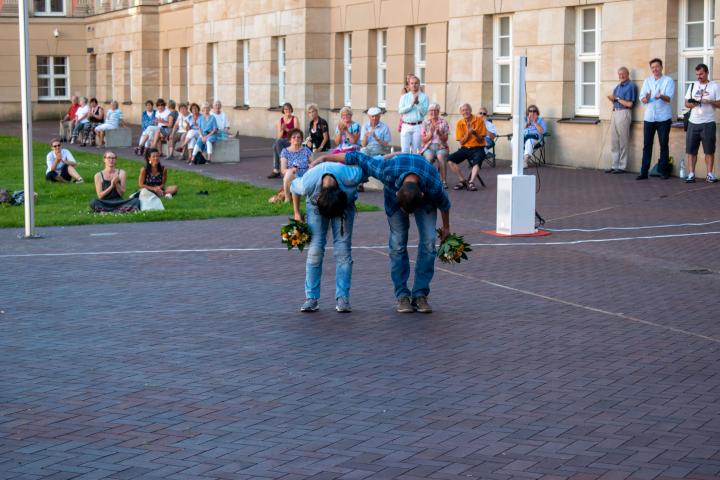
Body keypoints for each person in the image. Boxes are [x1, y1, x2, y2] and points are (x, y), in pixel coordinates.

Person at [313, 150, 451, 314]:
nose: (408, 215)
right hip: (395, 197)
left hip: (425, 201)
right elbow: (356, 156)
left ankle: (420, 294)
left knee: (429, 244)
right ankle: (402, 296)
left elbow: (445, 204)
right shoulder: (385, 169)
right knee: (398, 244)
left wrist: (447, 228)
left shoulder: (432, 183)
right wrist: (325, 157)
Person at [291, 161, 364, 313]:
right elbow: (293, 186)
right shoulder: (307, 183)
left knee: (343, 250)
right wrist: (297, 213)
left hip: (343, 206)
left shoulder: (351, 176)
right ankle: (311, 298)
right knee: (315, 250)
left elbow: (367, 166)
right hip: (316, 207)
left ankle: (343, 298)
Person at [638, 58, 675, 180]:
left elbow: (669, 98)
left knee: (663, 144)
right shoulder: (647, 80)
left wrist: (661, 96)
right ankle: (644, 172)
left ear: (661, 67)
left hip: (663, 117)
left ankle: (664, 172)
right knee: (647, 145)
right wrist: (646, 98)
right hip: (649, 117)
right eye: (653, 67)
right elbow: (642, 98)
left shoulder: (668, 80)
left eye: (657, 67)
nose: (655, 69)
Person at [684, 63, 719, 183]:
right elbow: (686, 103)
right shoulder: (693, 85)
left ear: (707, 72)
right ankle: (691, 174)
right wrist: (693, 103)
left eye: (701, 74)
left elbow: (719, 103)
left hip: (708, 122)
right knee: (691, 150)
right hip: (693, 122)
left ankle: (709, 174)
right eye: (697, 74)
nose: (699, 76)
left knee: (709, 150)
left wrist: (710, 101)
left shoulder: (714, 86)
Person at [447, 103, 488, 191]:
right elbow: (461, 142)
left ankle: (471, 182)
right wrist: (468, 133)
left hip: (478, 147)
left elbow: (481, 140)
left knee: (477, 161)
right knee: (450, 160)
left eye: (467, 109)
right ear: (460, 113)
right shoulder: (460, 123)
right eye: (463, 110)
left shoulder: (479, 121)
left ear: (471, 110)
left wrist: (475, 133)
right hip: (465, 148)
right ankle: (462, 181)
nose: (465, 112)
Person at [606, 66, 637, 174]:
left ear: (628, 74)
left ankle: (622, 166)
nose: (621, 76)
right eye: (619, 74)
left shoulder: (631, 86)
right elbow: (615, 101)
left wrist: (617, 99)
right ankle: (614, 165)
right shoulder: (618, 86)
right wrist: (612, 99)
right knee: (614, 141)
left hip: (624, 112)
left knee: (623, 140)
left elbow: (630, 104)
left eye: (623, 74)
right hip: (615, 112)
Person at [420, 102, 450, 188]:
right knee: (428, 158)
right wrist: (431, 133)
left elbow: (445, 139)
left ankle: (444, 181)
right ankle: (428, 180)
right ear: (428, 112)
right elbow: (424, 140)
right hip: (428, 147)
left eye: (435, 110)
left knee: (440, 156)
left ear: (438, 111)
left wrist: (440, 133)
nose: (433, 112)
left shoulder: (443, 122)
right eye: (431, 110)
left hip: (441, 146)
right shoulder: (425, 123)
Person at [397, 74, 428, 153]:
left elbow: (424, 112)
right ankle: (405, 165)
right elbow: (400, 110)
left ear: (419, 84)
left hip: (418, 125)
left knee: (416, 151)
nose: (414, 85)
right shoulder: (404, 97)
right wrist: (411, 104)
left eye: (416, 83)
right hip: (406, 125)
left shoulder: (424, 97)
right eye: (412, 83)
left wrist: (417, 103)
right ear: (409, 85)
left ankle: (415, 165)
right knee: (404, 150)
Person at [280, 128, 313, 202]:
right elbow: (283, 170)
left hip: (305, 174)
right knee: (288, 173)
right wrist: (291, 170)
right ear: (289, 140)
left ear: (301, 139)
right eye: (293, 137)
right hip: (294, 175)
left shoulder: (306, 150)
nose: (296, 139)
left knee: (313, 169)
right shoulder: (285, 151)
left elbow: (313, 162)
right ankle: (287, 198)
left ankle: (311, 196)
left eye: (298, 137)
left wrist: (311, 165)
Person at [269, 102, 299, 178]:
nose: (287, 110)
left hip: (292, 141)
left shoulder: (294, 119)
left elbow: (296, 134)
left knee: (276, 145)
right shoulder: (281, 120)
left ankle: (277, 169)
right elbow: (279, 136)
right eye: (285, 109)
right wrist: (282, 130)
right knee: (276, 143)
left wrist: (286, 129)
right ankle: (283, 165)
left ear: (291, 110)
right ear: (283, 110)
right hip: (282, 141)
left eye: (289, 109)